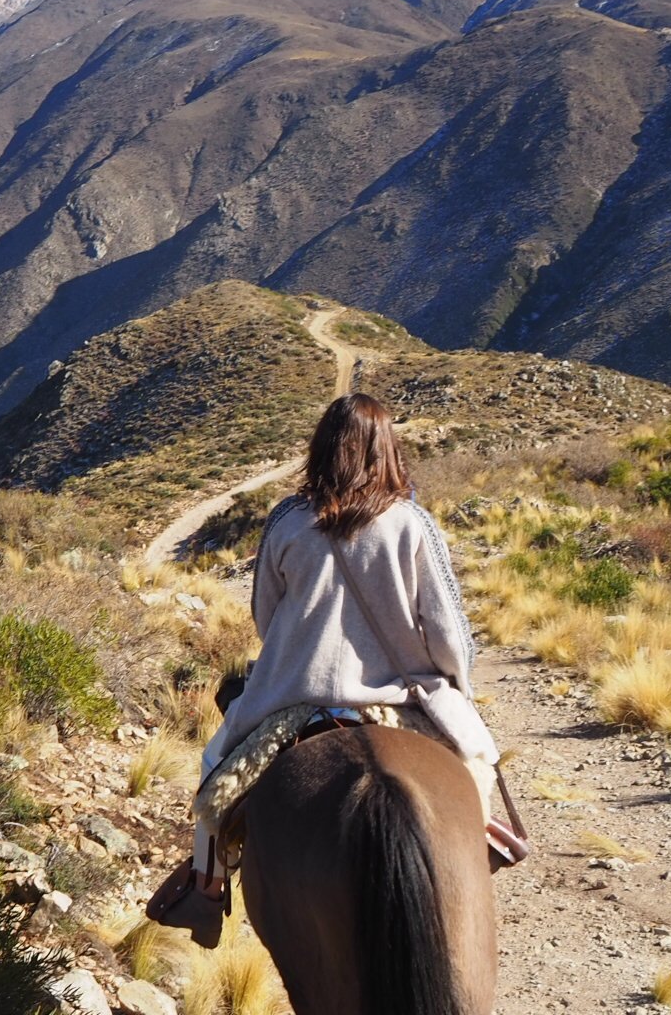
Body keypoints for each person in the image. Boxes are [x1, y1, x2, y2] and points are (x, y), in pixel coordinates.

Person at [148, 392, 501, 944]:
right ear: (385, 451)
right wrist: (458, 682)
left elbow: (266, 614)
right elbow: (447, 630)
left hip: (295, 696)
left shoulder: (287, 521)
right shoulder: (413, 525)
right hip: (400, 695)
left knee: (215, 763)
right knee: (478, 760)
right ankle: (476, 860)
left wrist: (299, 647)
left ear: (324, 448)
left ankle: (206, 889)